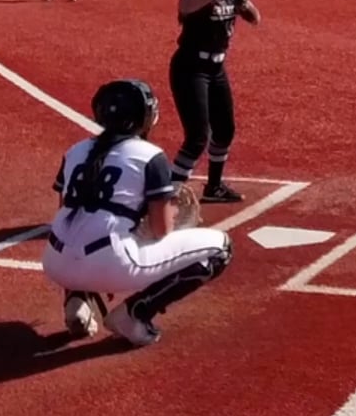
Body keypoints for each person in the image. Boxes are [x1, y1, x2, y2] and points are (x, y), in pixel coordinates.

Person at [42, 78, 233, 347]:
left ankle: (76, 300)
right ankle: (135, 314)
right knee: (221, 249)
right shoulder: (150, 155)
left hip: (55, 262)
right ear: (144, 117)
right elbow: (161, 230)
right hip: (111, 264)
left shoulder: (75, 151)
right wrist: (161, 218)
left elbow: (65, 211)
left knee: (81, 225)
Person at [168, 0, 260, 203]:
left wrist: (242, 1)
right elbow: (185, 6)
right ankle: (165, 198)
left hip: (216, 68)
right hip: (190, 67)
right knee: (197, 137)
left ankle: (214, 187)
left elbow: (255, 18)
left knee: (224, 130)